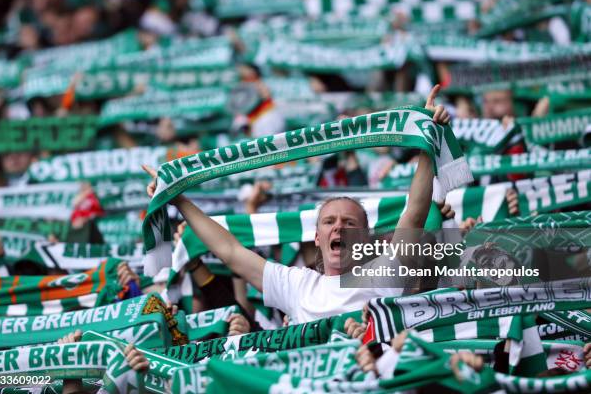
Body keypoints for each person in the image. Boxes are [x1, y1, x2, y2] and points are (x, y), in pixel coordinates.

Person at [143, 85, 451, 325]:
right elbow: (231, 252)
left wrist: (425, 139)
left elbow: (414, 212)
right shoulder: (297, 285)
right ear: (317, 237)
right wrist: (178, 197)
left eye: (350, 222)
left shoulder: (383, 274)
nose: (339, 227)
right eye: (329, 222)